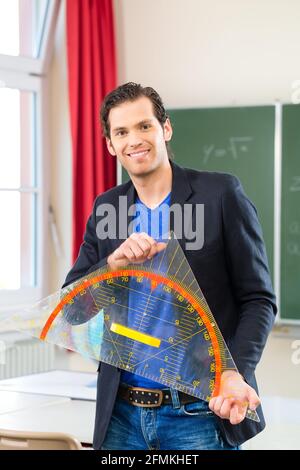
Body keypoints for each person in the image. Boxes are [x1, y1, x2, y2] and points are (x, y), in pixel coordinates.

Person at [62, 82, 277, 450]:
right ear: (111, 145)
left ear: (165, 129)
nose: (135, 140)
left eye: (144, 126)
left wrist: (233, 371)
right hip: (121, 416)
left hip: (198, 413)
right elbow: (73, 309)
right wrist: (112, 265)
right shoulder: (106, 208)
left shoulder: (220, 195)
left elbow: (258, 299)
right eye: (122, 132)